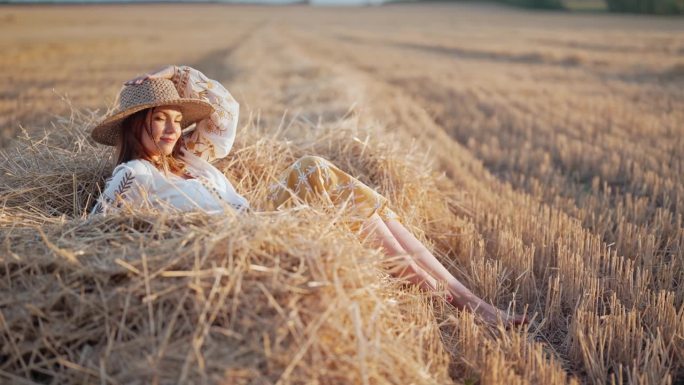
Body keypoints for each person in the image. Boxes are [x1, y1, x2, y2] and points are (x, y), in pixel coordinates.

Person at [89, 64, 526, 327]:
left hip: (259, 221)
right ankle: (459, 300)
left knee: (353, 204)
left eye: (173, 118)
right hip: (244, 239)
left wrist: (171, 73)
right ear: (133, 126)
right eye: (157, 119)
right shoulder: (135, 174)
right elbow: (98, 228)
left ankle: (463, 299)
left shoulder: (189, 157)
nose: (170, 128)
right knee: (313, 171)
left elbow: (225, 110)